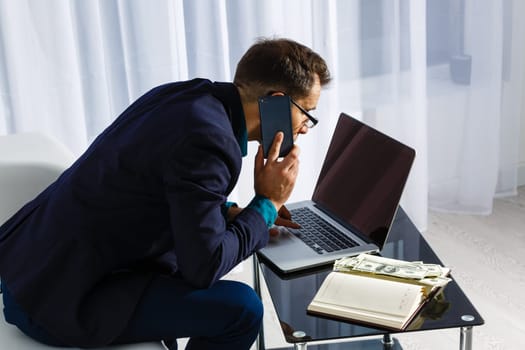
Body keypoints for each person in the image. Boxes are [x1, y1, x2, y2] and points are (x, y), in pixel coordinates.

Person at [0, 37, 331, 349]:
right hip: (55, 299)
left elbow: (161, 186)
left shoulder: (189, 97)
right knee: (243, 308)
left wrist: (234, 213)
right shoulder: (209, 142)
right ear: (275, 102)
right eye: (306, 113)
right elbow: (203, 268)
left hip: (28, 267)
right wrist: (267, 203)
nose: (305, 127)